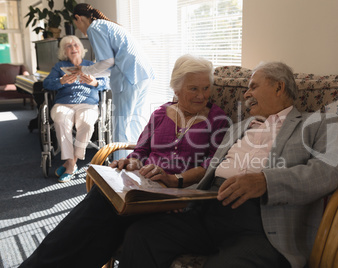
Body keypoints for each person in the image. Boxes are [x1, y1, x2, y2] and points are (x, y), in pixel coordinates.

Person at [116, 62, 338, 268]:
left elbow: (327, 172)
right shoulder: (239, 126)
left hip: (259, 223)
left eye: (253, 87)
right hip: (206, 207)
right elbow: (209, 166)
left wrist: (265, 182)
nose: (246, 94)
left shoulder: (320, 123)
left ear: (279, 87)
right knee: (141, 236)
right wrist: (177, 187)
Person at [18, 54, 228, 268]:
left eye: (206, 88)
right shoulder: (161, 114)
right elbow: (141, 150)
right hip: (143, 188)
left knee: (103, 217)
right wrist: (132, 162)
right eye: (194, 89)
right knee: (97, 209)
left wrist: (175, 181)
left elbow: (211, 166)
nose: (202, 96)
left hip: (179, 197)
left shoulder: (217, 120)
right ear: (176, 88)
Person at [72, 3, 155, 160]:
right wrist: (89, 73)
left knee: (120, 126)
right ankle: (136, 162)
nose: (78, 28)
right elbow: (110, 65)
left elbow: (107, 61)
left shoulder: (94, 28)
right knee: (134, 123)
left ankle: (118, 168)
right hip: (142, 74)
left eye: (76, 24)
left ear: (78, 18)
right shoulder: (107, 25)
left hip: (128, 77)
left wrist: (83, 70)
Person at [43, 35, 109, 183]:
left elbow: (106, 84)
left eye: (76, 45)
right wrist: (61, 81)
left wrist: (95, 83)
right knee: (60, 120)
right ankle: (72, 165)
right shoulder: (59, 67)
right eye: (69, 46)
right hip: (64, 103)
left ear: (81, 48)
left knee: (86, 122)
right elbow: (46, 83)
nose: (73, 48)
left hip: (87, 103)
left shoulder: (92, 66)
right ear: (64, 51)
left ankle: (70, 162)